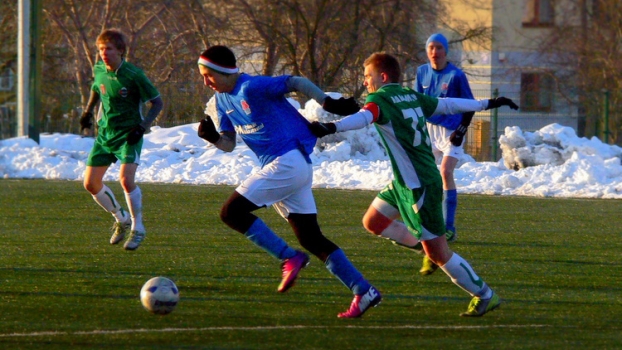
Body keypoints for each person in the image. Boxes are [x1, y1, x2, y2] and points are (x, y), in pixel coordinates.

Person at [309, 52, 518, 317]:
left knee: (439, 254)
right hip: (403, 183)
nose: (365, 83)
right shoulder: (411, 96)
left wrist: (330, 127)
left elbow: (363, 118)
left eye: (368, 76)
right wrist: (487, 102)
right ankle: (423, 245)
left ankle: (485, 294)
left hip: (420, 185)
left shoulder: (380, 99)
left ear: (383, 77)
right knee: (373, 222)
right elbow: (448, 105)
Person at [195, 45, 381, 318]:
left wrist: (326, 101)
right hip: (292, 167)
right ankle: (363, 289)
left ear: (224, 71)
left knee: (231, 212)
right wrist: (212, 138)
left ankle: (288, 257)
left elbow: (296, 81)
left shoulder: (252, 87)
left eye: (208, 75)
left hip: (288, 162)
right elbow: (228, 144)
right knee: (310, 237)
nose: (205, 81)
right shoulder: (222, 101)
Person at [79, 29, 163, 251]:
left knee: (126, 180)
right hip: (105, 134)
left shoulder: (133, 75)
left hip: (129, 135)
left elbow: (158, 102)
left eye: (108, 49)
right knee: (90, 183)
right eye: (101, 49)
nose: (104, 53)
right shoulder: (99, 70)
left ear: (120, 51)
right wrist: (87, 112)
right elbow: (96, 89)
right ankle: (121, 217)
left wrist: (143, 127)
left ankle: (138, 227)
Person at [413, 33, 476, 275]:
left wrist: (461, 130)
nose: (435, 51)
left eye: (439, 47)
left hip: (450, 131)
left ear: (445, 51)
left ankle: (449, 228)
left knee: (445, 171)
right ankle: (428, 224)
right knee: (422, 176)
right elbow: (417, 102)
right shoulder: (421, 72)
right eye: (431, 47)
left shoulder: (456, 75)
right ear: (427, 50)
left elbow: (470, 106)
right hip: (429, 130)